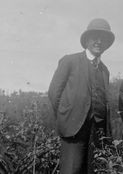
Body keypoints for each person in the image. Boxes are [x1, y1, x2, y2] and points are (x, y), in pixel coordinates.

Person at [48, 18, 115, 174]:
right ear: (86, 40)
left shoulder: (104, 70)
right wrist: (67, 116)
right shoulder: (70, 61)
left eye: (103, 38)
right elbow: (54, 93)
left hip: (96, 133)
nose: (99, 41)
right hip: (73, 130)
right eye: (95, 37)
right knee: (71, 170)